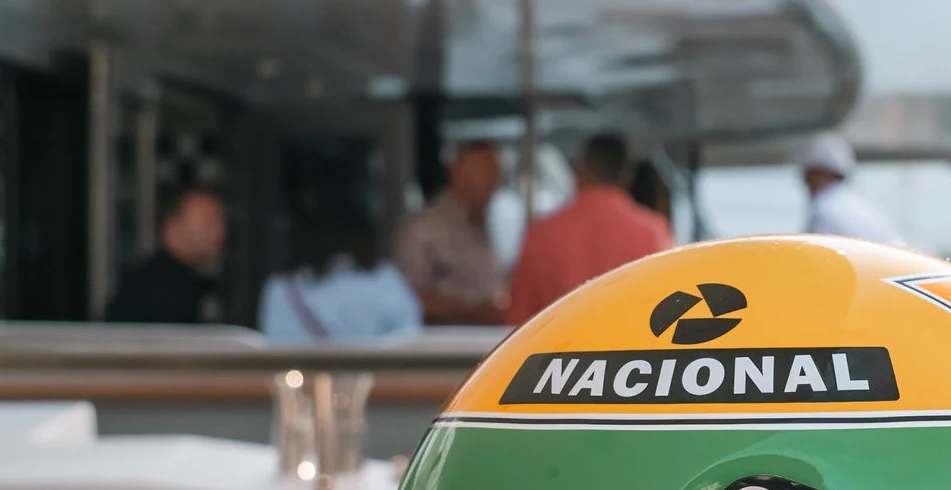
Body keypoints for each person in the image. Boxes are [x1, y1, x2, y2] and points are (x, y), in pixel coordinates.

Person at [503, 133, 673, 325]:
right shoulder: (652, 233)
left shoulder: (541, 234)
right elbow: (665, 310)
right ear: (626, 176)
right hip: (628, 351)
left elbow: (518, 321)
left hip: (557, 351)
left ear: (580, 169)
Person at [259, 202, 421, 342]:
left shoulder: (281, 289)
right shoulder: (387, 282)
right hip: (377, 378)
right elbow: (409, 346)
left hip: (300, 377)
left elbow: (276, 352)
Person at [395, 139, 508, 324]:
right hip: (443, 345)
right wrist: (475, 313)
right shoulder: (425, 230)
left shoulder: (487, 225)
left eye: (496, 174)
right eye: (485, 172)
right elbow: (408, 299)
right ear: (457, 173)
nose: (494, 183)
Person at [105, 187, 228, 324]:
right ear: (172, 227)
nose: (221, 232)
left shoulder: (188, 282)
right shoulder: (156, 290)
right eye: (208, 223)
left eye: (221, 222)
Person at [798, 132, 902, 244]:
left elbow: (815, 255)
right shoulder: (854, 205)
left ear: (825, 174)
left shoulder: (824, 210)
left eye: (810, 174)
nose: (805, 181)